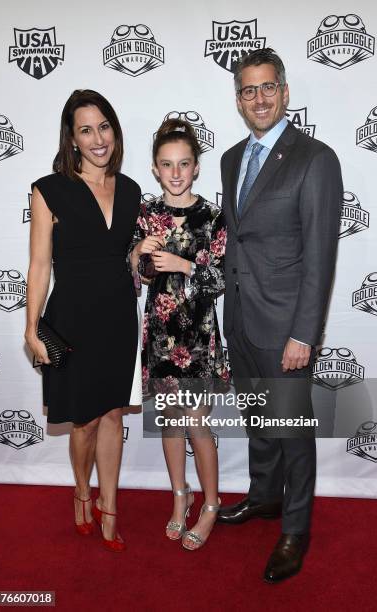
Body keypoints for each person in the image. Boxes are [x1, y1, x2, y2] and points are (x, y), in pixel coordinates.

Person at [217, 48, 342, 582]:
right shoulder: (229, 159)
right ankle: (265, 498)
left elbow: (320, 255)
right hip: (241, 318)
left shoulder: (316, 158)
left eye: (268, 87)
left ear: (285, 92)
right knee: (259, 423)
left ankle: (296, 528)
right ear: (239, 100)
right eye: (249, 90)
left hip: (286, 325)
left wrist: (303, 333)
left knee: (292, 431)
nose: (259, 98)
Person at [25, 89, 142, 553]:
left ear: (114, 129)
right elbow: (38, 266)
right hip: (72, 319)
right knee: (85, 423)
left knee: (113, 413)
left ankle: (109, 505)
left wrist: (140, 255)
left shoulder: (131, 189)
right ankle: (81, 493)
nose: (98, 139)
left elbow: (124, 258)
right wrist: (31, 328)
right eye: (86, 130)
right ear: (72, 139)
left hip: (118, 317)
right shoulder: (48, 189)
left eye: (105, 127)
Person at [129, 118, 229, 550]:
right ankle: (179, 496)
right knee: (170, 422)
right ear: (154, 168)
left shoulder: (212, 216)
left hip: (199, 336)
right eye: (166, 164)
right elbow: (136, 275)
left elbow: (223, 279)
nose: (175, 173)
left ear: (196, 167)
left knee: (196, 424)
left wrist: (185, 265)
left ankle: (210, 503)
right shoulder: (146, 215)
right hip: (160, 336)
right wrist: (139, 255)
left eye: (184, 163)